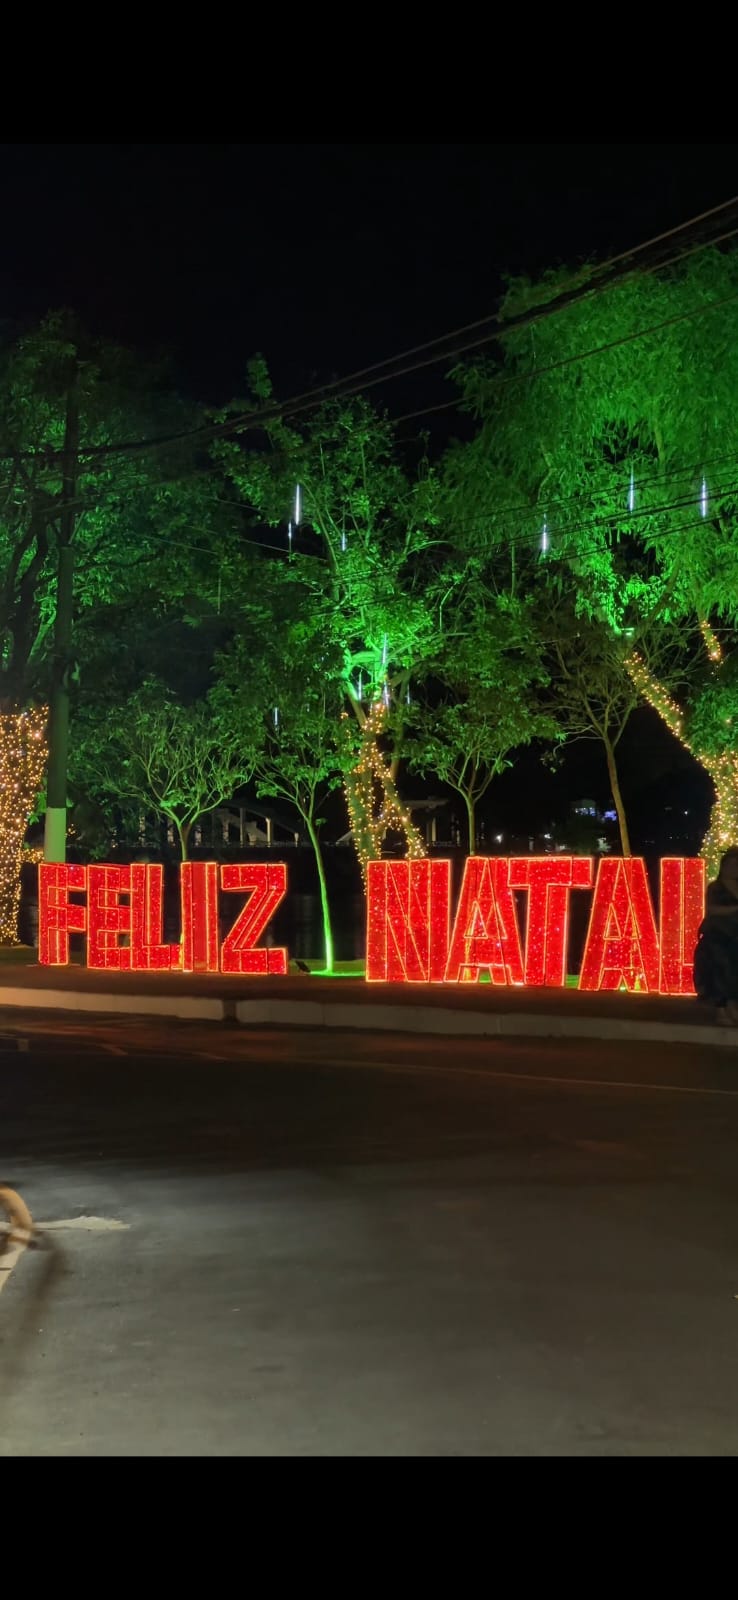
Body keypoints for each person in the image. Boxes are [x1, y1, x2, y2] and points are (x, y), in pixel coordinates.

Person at [693, 849, 738, 1024]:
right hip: (718, 935)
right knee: (721, 967)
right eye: (731, 865)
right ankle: (722, 1009)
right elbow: (712, 910)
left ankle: (732, 1007)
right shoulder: (715, 888)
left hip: (735, 936)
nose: (734, 868)